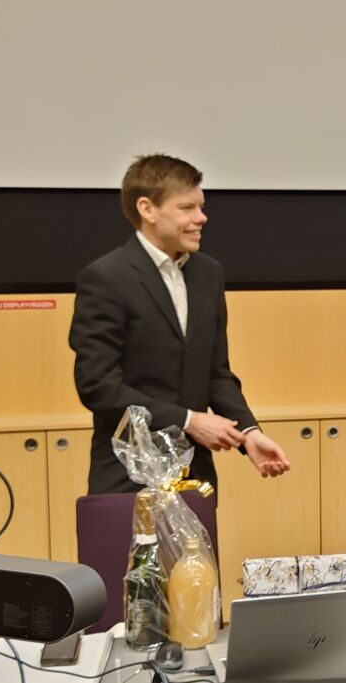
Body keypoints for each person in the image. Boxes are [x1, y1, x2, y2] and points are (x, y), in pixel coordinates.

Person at [70, 154, 291, 494]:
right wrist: (188, 421)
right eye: (186, 208)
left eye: (201, 207)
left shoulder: (209, 274)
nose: (201, 218)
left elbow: (216, 372)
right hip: (126, 477)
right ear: (147, 209)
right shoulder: (106, 278)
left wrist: (249, 433)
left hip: (195, 476)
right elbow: (98, 386)